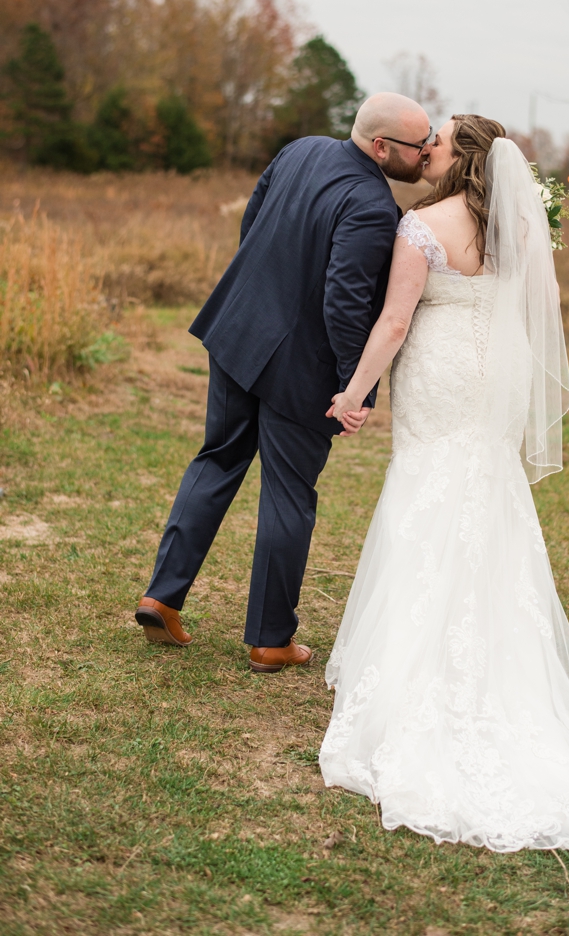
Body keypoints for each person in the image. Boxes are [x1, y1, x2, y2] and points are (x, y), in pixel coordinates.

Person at [316, 114, 569, 852]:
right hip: (494, 374)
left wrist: (355, 393)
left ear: (460, 156)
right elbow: (530, 310)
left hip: (440, 371)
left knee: (428, 490)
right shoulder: (518, 228)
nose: (425, 148)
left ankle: (414, 675)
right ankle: (498, 660)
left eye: (436, 142)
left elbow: (396, 321)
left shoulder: (421, 228)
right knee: (484, 492)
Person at [135, 93, 431, 672]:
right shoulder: (374, 206)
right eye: (417, 147)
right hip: (303, 368)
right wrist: (355, 387)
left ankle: (161, 595)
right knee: (289, 494)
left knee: (216, 459)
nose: (424, 156)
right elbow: (346, 303)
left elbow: (253, 223)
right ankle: (271, 639)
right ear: (381, 147)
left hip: (238, 332)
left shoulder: (300, 151)